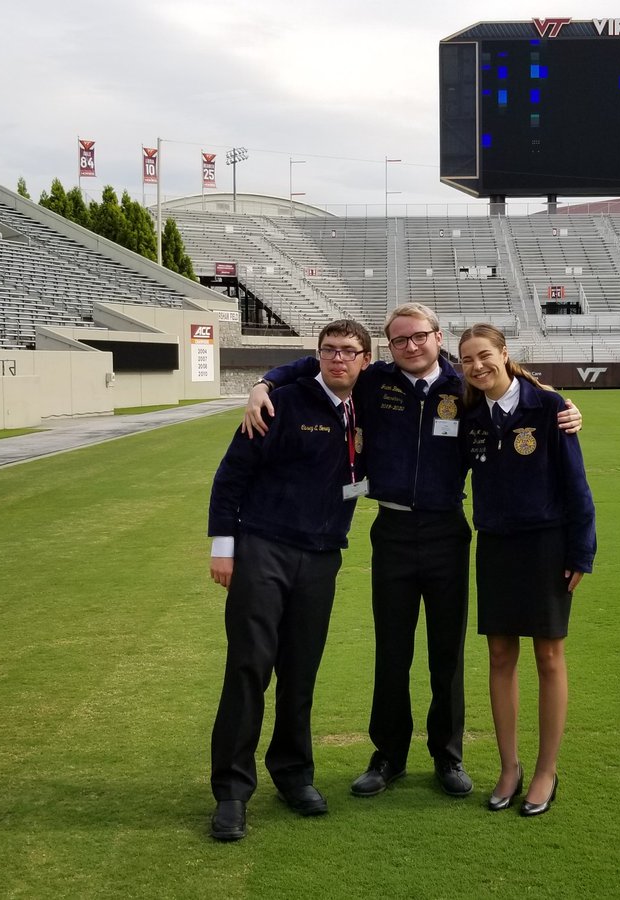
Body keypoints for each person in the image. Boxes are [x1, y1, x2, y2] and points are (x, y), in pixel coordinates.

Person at [243, 304, 581, 801]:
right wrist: (264, 383)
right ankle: (389, 756)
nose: (410, 346)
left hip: (449, 531)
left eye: (418, 337)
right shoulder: (376, 381)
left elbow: (515, 387)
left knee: (447, 654)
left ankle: (448, 756)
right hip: (393, 531)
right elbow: (316, 364)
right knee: (392, 651)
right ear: (387, 347)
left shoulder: (463, 386)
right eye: (399, 340)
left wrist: (560, 403)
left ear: (436, 337)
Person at [207, 319, 372, 842]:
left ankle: (293, 774)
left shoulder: (368, 403)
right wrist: (224, 549)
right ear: (317, 355)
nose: (338, 359)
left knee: (301, 672)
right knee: (249, 669)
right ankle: (232, 792)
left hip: (323, 556)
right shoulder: (281, 403)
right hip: (264, 549)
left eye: (349, 351)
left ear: (365, 359)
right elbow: (230, 476)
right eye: (328, 351)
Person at [456, 323, 596, 817]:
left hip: (546, 545)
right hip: (495, 544)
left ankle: (545, 770)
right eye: (467, 360)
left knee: (549, 657)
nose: (477, 367)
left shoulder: (548, 406)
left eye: (484, 356)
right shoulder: (471, 412)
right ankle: (509, 766)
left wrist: (582, 551)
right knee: (499, 655)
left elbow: (576, 484)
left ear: (504, 353)